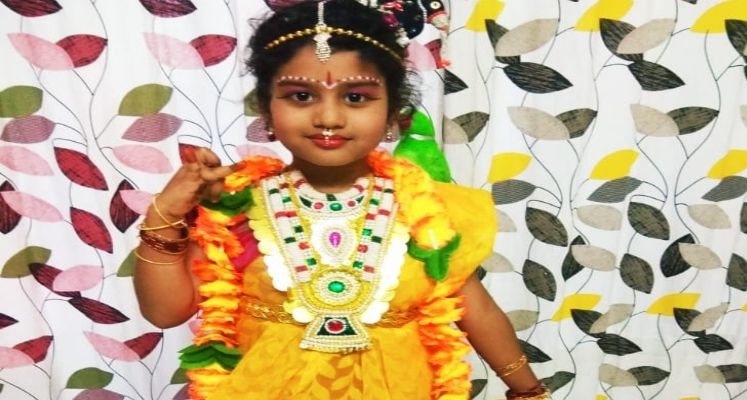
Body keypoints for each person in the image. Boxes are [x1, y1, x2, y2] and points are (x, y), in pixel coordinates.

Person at [133, 1, 549, 399]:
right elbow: (166, 312)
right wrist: (165, 215)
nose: (328, 118)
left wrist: (527, 391)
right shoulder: (237, 208)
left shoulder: (429, 212)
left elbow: (478, 311)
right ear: (267, 110)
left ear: (393, 114)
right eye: (301, 96)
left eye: (356, 97)